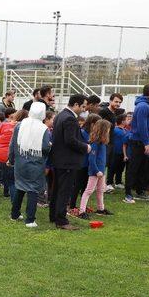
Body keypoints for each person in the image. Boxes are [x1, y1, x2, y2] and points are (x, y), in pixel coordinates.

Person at [49, 94, 89, 230]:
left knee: (57, 189)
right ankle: (61, 220)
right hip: (67, 161)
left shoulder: (61, 115)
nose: (84, 109)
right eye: (83, 106)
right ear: (76, 105)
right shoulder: (70, 118)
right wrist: (86, 147)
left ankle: (54, 216)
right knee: (64, 191)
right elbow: (70, 140)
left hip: (59, 159)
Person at [8, 102, 52, 228]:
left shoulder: (20, 125)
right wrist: (49, 146)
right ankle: (30, 220)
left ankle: (14, 214)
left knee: (20, 187)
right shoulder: (43, 128)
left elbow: (13, 144)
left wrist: (11, 159)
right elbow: (44, 147)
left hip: (20, 162)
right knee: (33, 190)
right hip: (35, 163)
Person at [124, 84, 149, 204]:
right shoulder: (143, 106)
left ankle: (139, 190)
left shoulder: (145, 105)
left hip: (142, 141)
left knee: (142, 168)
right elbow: (142, 126)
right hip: (139, 142)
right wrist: (146, 143)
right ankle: (128, 193)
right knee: (134, 167)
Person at [78, 120, 113, 219]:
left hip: (101, 171)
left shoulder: (103, 143)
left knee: (101, 190)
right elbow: (91, 159)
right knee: (89, 190)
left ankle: (100, 209)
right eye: (108, 130)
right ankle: (82, 211)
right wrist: (97, 171)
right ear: (103, 130)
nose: (109, 132)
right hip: (95, 172)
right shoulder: (95, 143)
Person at [69, 113, 101, 212]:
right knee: (77, 184)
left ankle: (83, 205)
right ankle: (72, 205)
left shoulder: (93, 134)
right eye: (97, 124)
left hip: (88, 163)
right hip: (81, 163)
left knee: (85, 185)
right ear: (92, 124)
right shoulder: (82, 132)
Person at [107, 113, 128, 190]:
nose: (128, 121)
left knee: (120, 168)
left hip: (123, 153)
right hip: (114, 152)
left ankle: (118, 182)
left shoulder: (126, 130)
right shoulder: (115, 130)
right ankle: (109, 182)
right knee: (112, 167)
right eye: (126, 119)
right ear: (122, 121)